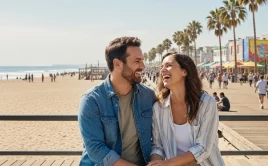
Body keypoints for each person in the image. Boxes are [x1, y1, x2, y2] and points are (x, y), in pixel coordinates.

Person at [78, 37, 156, 166]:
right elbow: (95, 149)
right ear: (118, 64)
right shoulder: (91, 100)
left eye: (142, 61)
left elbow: (157, 138)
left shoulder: (148, 95)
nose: (143, 66)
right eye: (137, 61)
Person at [148, 53, 224, 166]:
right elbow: (157, 146)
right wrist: (155, 163)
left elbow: (203, 147)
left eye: (168, 65)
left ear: (185, 71)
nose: (162, 70)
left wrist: (168, 164)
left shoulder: (206, 103)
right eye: (161, 67)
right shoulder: (159, 107)